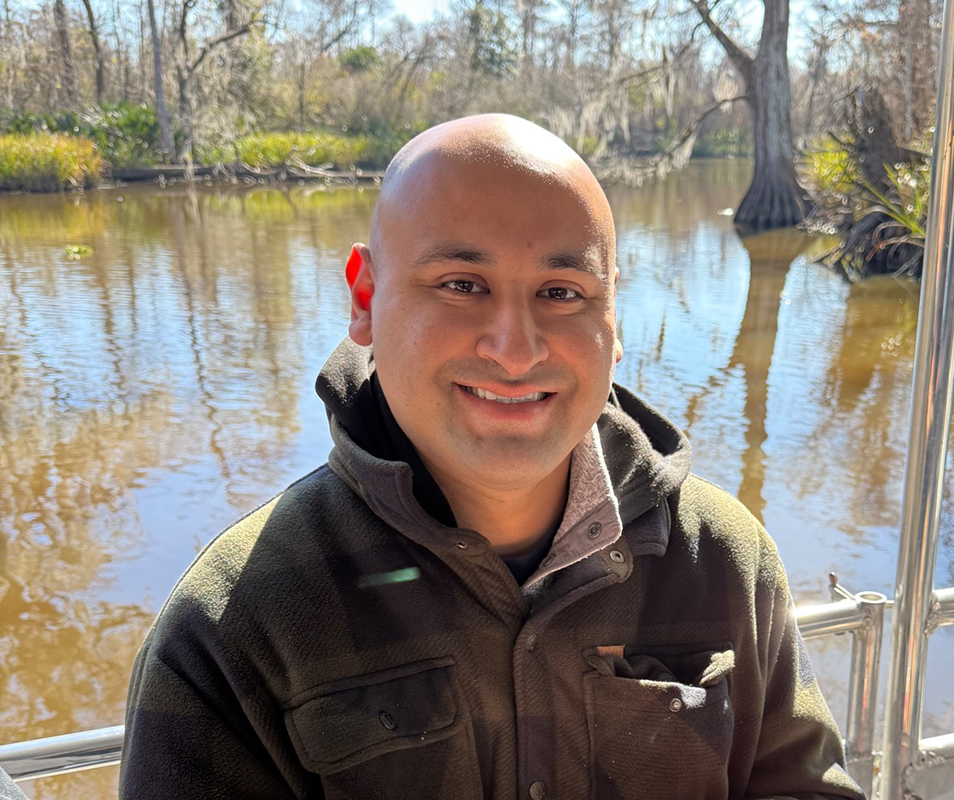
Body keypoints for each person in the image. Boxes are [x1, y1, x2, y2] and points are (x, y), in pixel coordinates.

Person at [119, 114, 866, 800]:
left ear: (614, 312)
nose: (515, 348)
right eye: (461, 285)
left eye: (561, 291)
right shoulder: (234, 626)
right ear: (365, 297)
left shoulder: (725, 561)